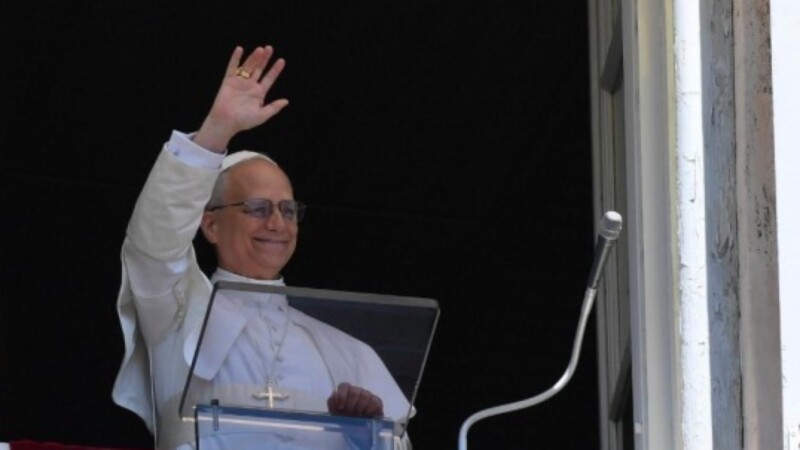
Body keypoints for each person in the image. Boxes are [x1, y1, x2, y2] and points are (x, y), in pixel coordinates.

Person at [111, 45, 412, 450]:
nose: (277, 224)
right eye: (257, 208)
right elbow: (154, 241)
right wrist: (216, 131)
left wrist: (366, 434)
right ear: (211, 224)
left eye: (288, 210)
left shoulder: (345, 349)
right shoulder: (176, 313)